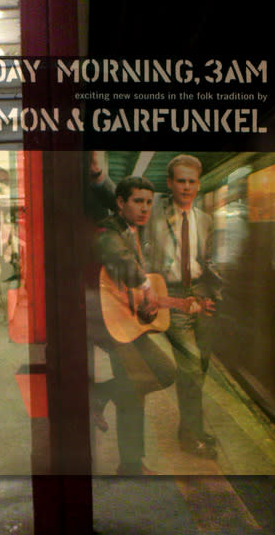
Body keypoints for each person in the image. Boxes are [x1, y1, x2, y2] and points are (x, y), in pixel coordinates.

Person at [91, 176, 176, 475]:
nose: (144, 208)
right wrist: (145, 287)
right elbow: (119, 258)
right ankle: (130, 464)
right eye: (138, 201)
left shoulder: (131, 232)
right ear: (120, 202)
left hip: (125, 322)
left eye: (149, 203)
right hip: (110, 324)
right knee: (157, 375)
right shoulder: (109, 231)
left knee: (137, 387)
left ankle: (130, 461)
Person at [143, 154, 222, 459]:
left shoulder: (205, 219)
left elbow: (207, 260)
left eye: (192, 181)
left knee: (201, 364)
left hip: (200, 295)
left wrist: (213, 291)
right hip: (172, 295)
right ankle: (190, 436)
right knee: (190, 364)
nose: (186, 187)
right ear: (170, 183)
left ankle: (192, 428)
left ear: (198, 184)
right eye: (181, 181)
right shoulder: (154, 217)